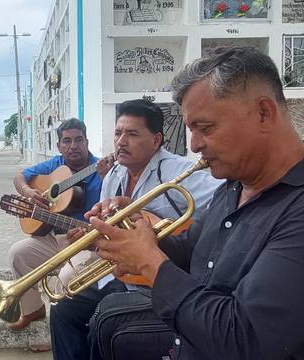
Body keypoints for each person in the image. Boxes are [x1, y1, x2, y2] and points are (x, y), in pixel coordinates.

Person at [89, 46, 304, 359]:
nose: (194, 145)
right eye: (190, 129)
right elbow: (197, 256)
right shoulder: (233, 186)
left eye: (205, 128)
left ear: (264, 112)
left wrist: (150, 263)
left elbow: (243, 338)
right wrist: (139, 231)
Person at [49, 99, 223, 360]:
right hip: (124, 276)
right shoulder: (114, 175)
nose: (121, 141)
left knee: (105, 317)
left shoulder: (180, 172)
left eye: (132, 134)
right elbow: (110, 232)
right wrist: (92, 237)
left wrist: (158, 225)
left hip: (162, 278)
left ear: (156, 140)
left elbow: (226, 204)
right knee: (62, 309)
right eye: (118, 133)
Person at [8, 118, 113, 331]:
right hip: (54, 238)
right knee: (18, 253)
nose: (73, 146)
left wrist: (107, 178)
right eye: (66, 141)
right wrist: (28, 192)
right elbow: (20, 177)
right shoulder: (54, 166)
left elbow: (115, 206)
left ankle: (58, 332)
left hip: (88, 242)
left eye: (78, 140)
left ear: (87, 142)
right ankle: (32, 310)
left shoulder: (104, 169)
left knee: (65, 279)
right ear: (59, 146)